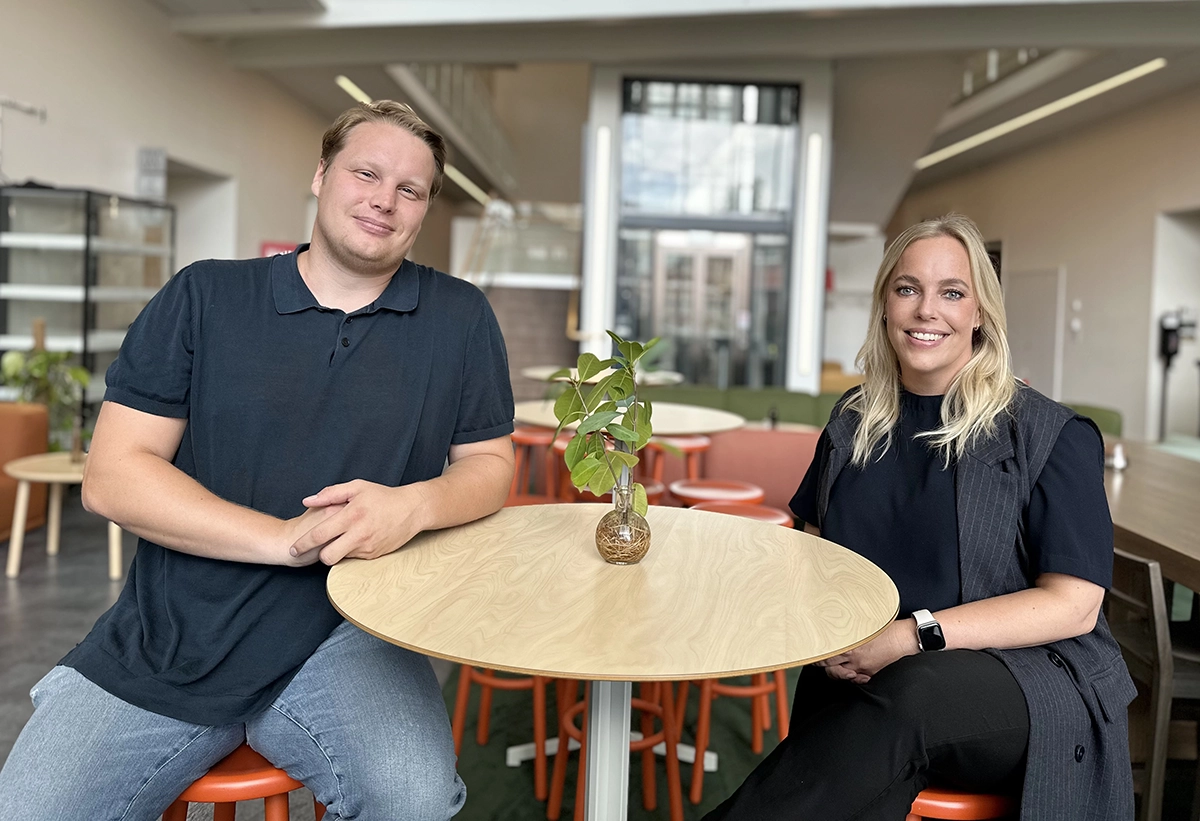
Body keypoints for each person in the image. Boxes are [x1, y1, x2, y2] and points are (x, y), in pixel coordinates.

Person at [0, 101, 515, 820]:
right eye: (366, 172)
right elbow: (113, 474)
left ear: (426, 208)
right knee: (30, 809)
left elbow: (491, 463)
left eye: (410, 189)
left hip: (351, 631)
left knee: (416, 797)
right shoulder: (204, 296)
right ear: (321, 174)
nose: (383, 200)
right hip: (172, 631)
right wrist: (283, 539)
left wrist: (413, 505)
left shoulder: (459, 319)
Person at [704, 214, 1135, 820]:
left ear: (980, 312)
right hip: (870, 679)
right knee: (868, 713)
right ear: (885, 304)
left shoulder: (1049, 434)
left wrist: (910, 637)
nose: (927, 309)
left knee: (912, 689)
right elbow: (814, 541)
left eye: (952, 292)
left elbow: (1074, 604)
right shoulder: (854, 422)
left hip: (1023, 681)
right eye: (908, 288)